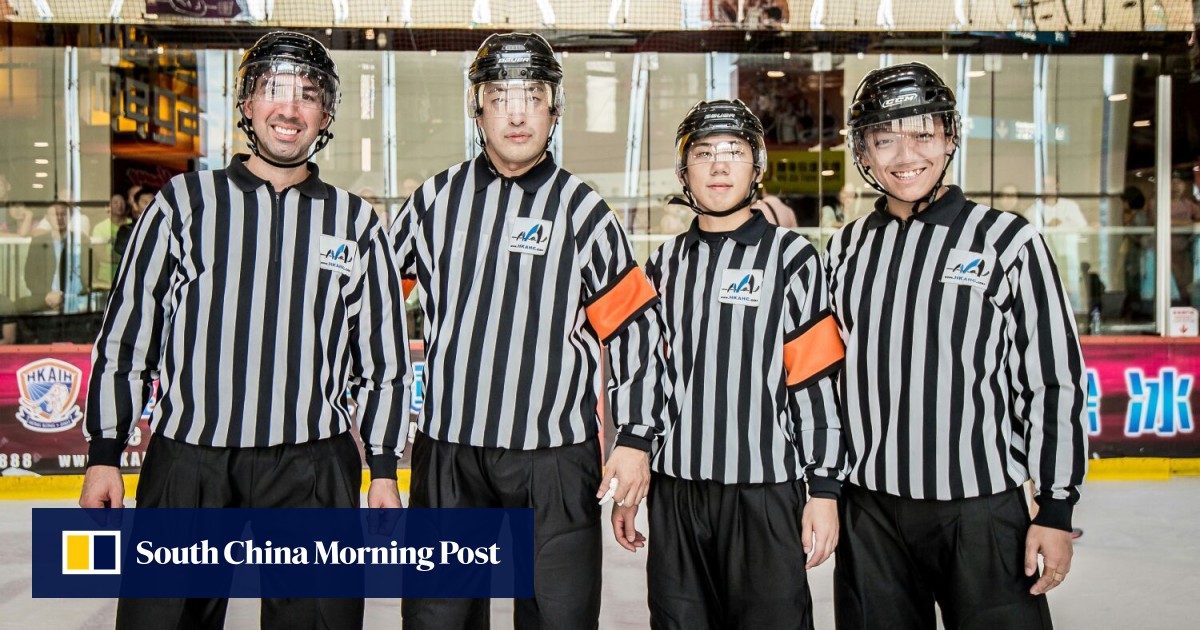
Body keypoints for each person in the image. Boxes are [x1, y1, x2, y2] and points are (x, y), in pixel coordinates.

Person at [79, 31, 411, 630]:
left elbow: (381, 362)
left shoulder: (357, 222)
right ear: (248, 105)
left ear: (327, 114)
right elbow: (129, 336)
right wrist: (105, 452)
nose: (289, 108)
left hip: (313, 465)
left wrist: (384, 468)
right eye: (274, 90)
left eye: (308, 94)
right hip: (190, 461)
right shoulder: (183, 204)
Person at [391, 32, 664, 629]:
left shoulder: (584, 210)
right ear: (478, 106)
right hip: (450, 456)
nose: (516, 111)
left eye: (532, 95)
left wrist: (638, 436)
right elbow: (371, 306)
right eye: (500, 95)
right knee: (439, 617)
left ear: (554, 109)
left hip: (554, 461)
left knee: (557, 619)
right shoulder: (435, 200)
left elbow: (637, 330)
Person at [825, 62, 1088, 629]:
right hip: (870, 511)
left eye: (922, 133)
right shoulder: (845, 250)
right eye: (884, 138)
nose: (904, 155)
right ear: (863, 152)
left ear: (948, 136)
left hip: (981, 508)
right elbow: (825, 379)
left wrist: (1057, 506)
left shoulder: (1007, 240)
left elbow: (1053, 379)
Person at [614, 99, 846, 629]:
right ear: (684, 170)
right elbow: (648, 374)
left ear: (756, 167)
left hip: (764, 492)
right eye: (703, 153)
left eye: (733, 152)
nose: (719, 166)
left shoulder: (793, 257)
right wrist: (633, 481)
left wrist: (825, 491)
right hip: (677, 493)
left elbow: (815, 384)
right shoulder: (664, 263)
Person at [20, 201, 92, 315]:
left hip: (76, 300)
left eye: (63, 214)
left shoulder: (81, 240)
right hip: (45, 300)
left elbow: (89, 274)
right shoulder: (38, 241)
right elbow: (30, 275)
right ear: (47, 218)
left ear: (70, 217)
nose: (59, 218)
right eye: (54, 214)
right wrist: (47, 295)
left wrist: (75, 294)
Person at [90, 193, 131, 288]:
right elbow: (99, 255)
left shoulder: (133, 225)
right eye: (115, 202)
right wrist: (124, 259)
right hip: (105, 278)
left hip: (128, 276)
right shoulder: (100, 227)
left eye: (122, 202)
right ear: (108, 206)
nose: (119, 205)